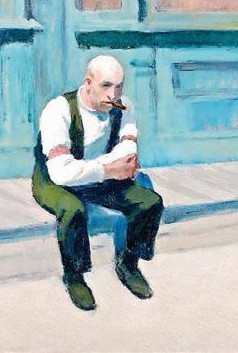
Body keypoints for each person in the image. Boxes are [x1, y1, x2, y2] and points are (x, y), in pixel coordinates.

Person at [32, 54, 164, 311]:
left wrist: (106, 168)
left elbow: (128, 150)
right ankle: (74, 276)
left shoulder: (123, 106)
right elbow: (60, 172)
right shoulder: (58, 110)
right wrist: (106, 169)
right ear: (88, 83)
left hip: (101, 176)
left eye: (118, 86)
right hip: (54, 181)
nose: (113, 95)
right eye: (105, 86)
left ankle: (128, 264)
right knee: (73, 210)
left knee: (149, 202)